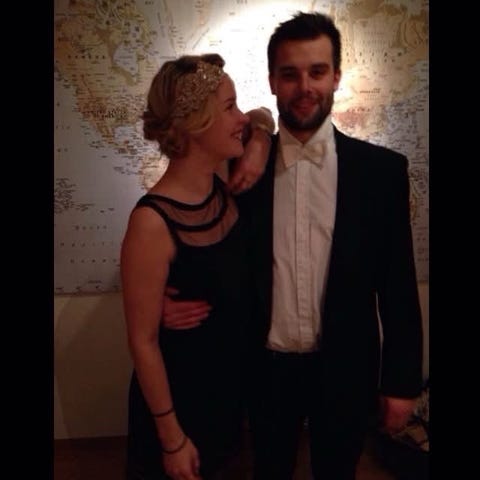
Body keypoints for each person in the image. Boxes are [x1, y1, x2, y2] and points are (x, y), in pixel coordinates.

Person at [162, 11, 424, 480]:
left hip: (345, 369)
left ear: (337, 76)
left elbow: (398, 286)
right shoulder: (237, 167)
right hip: (262, 370)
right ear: (272, 81)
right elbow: (191, 240)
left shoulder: (381, 172)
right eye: (290, 74)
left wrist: (402, 383)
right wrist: (159, 300)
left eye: (317, 72)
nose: (305, 87)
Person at [120, 53, 272, 480]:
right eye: (229, 107)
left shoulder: (225, 179)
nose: (241, 118)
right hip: (182, 407)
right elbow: (143, 341)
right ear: (195, 123)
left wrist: (259, 140)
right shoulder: (151, 222)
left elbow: (263, 115)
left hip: (227, 398)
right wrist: (172, 439)